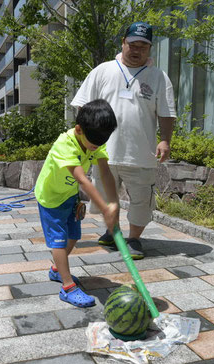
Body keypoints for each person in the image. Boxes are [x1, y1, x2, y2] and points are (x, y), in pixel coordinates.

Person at [70, 21, 177, 260]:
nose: (136, 50)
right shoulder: (103, 70)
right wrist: (81, 140)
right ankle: (112, 230)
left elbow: (167, 112)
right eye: (132, 44)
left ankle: (135, 238)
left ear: (150, 49)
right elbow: (82, 105)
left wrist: (165, 140)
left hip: (141, 153)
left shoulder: (159, 77)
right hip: (103, 152)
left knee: (141, 199)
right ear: (123, 43)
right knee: (106, 197)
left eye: (143, 46)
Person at [34, 99, 120, 308]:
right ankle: (68, 286)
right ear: (79, 129)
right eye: (93, 143)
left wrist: (114, 203)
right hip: (51, 199)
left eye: (100, 143)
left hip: (69, 197)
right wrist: (104, 208)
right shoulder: (65, 144)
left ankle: (56, 270)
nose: (96, 147)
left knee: (73, 236)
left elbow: (105, 172)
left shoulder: (95, 140)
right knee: (59, 241)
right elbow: (82, 178)